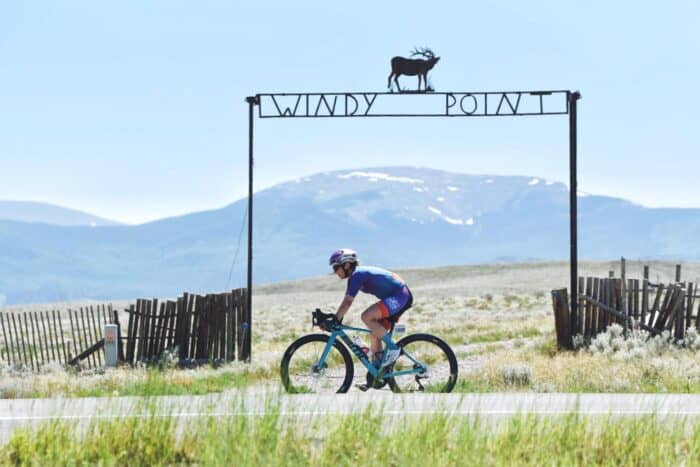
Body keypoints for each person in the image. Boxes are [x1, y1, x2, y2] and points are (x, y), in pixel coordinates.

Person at [328, 248, 413, 369]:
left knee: (366, 316)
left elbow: (347, 302)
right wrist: (336, 318)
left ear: (346, 265)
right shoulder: (354, 276)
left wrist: (335, 319)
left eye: (336, 267)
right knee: (375, 334)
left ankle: (395, 349)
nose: (335, 272)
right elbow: (346, 301)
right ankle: (378, 371)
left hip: (400, 295)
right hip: (397, 296)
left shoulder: (357, 274)